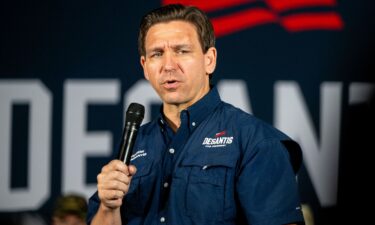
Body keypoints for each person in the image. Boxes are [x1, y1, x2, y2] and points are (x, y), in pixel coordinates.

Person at [87, 4, 305, 225]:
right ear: (145, 66)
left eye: (182, 51)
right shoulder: (134, 145)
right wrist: (107, 207)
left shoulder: (256, 142)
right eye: (157, 54)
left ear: (209, 60)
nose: (168, 65)